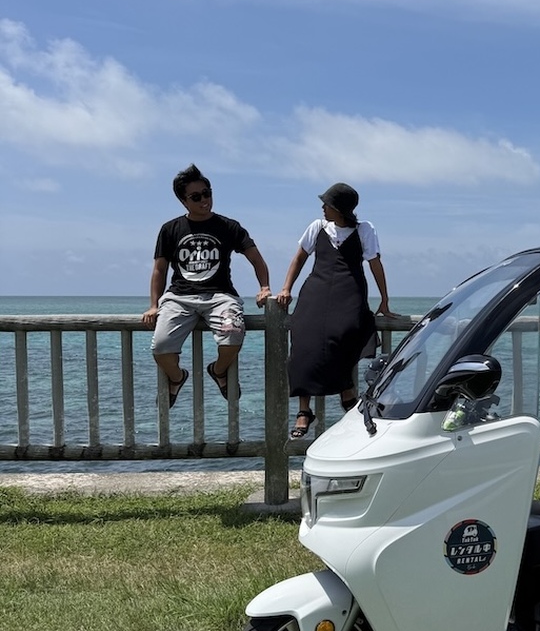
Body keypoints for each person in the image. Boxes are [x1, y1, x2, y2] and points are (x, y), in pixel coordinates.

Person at [141, 164, 271, 407]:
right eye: (196, 197)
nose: (204, 200)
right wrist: (153, 305)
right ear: (183, 201)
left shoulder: (229, 226)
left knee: (233, 334)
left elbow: (256, 258)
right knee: (160, 347)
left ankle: (218, 371)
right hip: (179, 297)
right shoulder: (170, 229)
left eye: (207, 193)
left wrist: (264, 287)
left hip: (221, 296)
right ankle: (177, 378)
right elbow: (159, 270)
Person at [276, 183, 396, 438]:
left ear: (340, 209)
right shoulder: (317, 227)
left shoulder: (364, 229)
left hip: (349, 291)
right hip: (316, 290)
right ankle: (304, 410)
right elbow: (299, 258)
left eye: (327, 204)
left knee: (345, 333)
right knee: (303, 340)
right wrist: (286, 288)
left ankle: (346, 391)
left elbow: (375, 264)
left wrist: (384, 300)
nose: (323, 207)